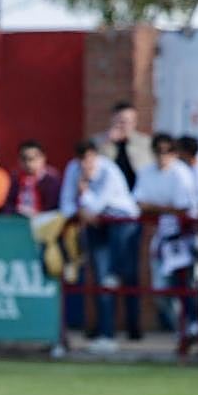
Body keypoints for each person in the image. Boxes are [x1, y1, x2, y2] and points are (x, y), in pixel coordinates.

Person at [60, 139, 141, 351]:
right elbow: (66, 204)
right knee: (102, 278)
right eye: (82, 160)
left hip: (122, 223)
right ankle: (106, 334)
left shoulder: (109, 171)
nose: (86, 164)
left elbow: (97, 205)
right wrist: (81, 211)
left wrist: (84, 194)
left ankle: (134, 329)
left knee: (124, 276)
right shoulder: (73, 168)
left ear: (96, 156)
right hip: (96, 226)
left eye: (89, 159)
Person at [134, 132, 198, 344]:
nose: (163, 156)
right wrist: (165, 209)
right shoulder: (146, 172)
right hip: (162, 238)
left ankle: (191, 329)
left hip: (183, 239)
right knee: (160, 289)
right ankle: (181, 329)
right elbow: (139, 203)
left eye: (168, 151)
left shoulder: (181, 173)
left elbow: (182, 208)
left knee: (186, 286)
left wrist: (157, 209)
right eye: (158, 151)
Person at [93, 100, 153, 190]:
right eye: (121, 121)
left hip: (137, 192)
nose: (124, 126)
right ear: (112, 120)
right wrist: (107, 143)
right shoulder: (99, 142)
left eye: (129, 121)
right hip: (108, 193)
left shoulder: (145, 143)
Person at [3, 139, 62, 217]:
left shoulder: (52, 181)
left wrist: (36, 214)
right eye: (24, 159)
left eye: (33, 158)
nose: (28, 163)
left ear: (43, 158)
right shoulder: (15, 179)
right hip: (17, 221)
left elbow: (52, 208)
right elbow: (8, 204)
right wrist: (16, 212)